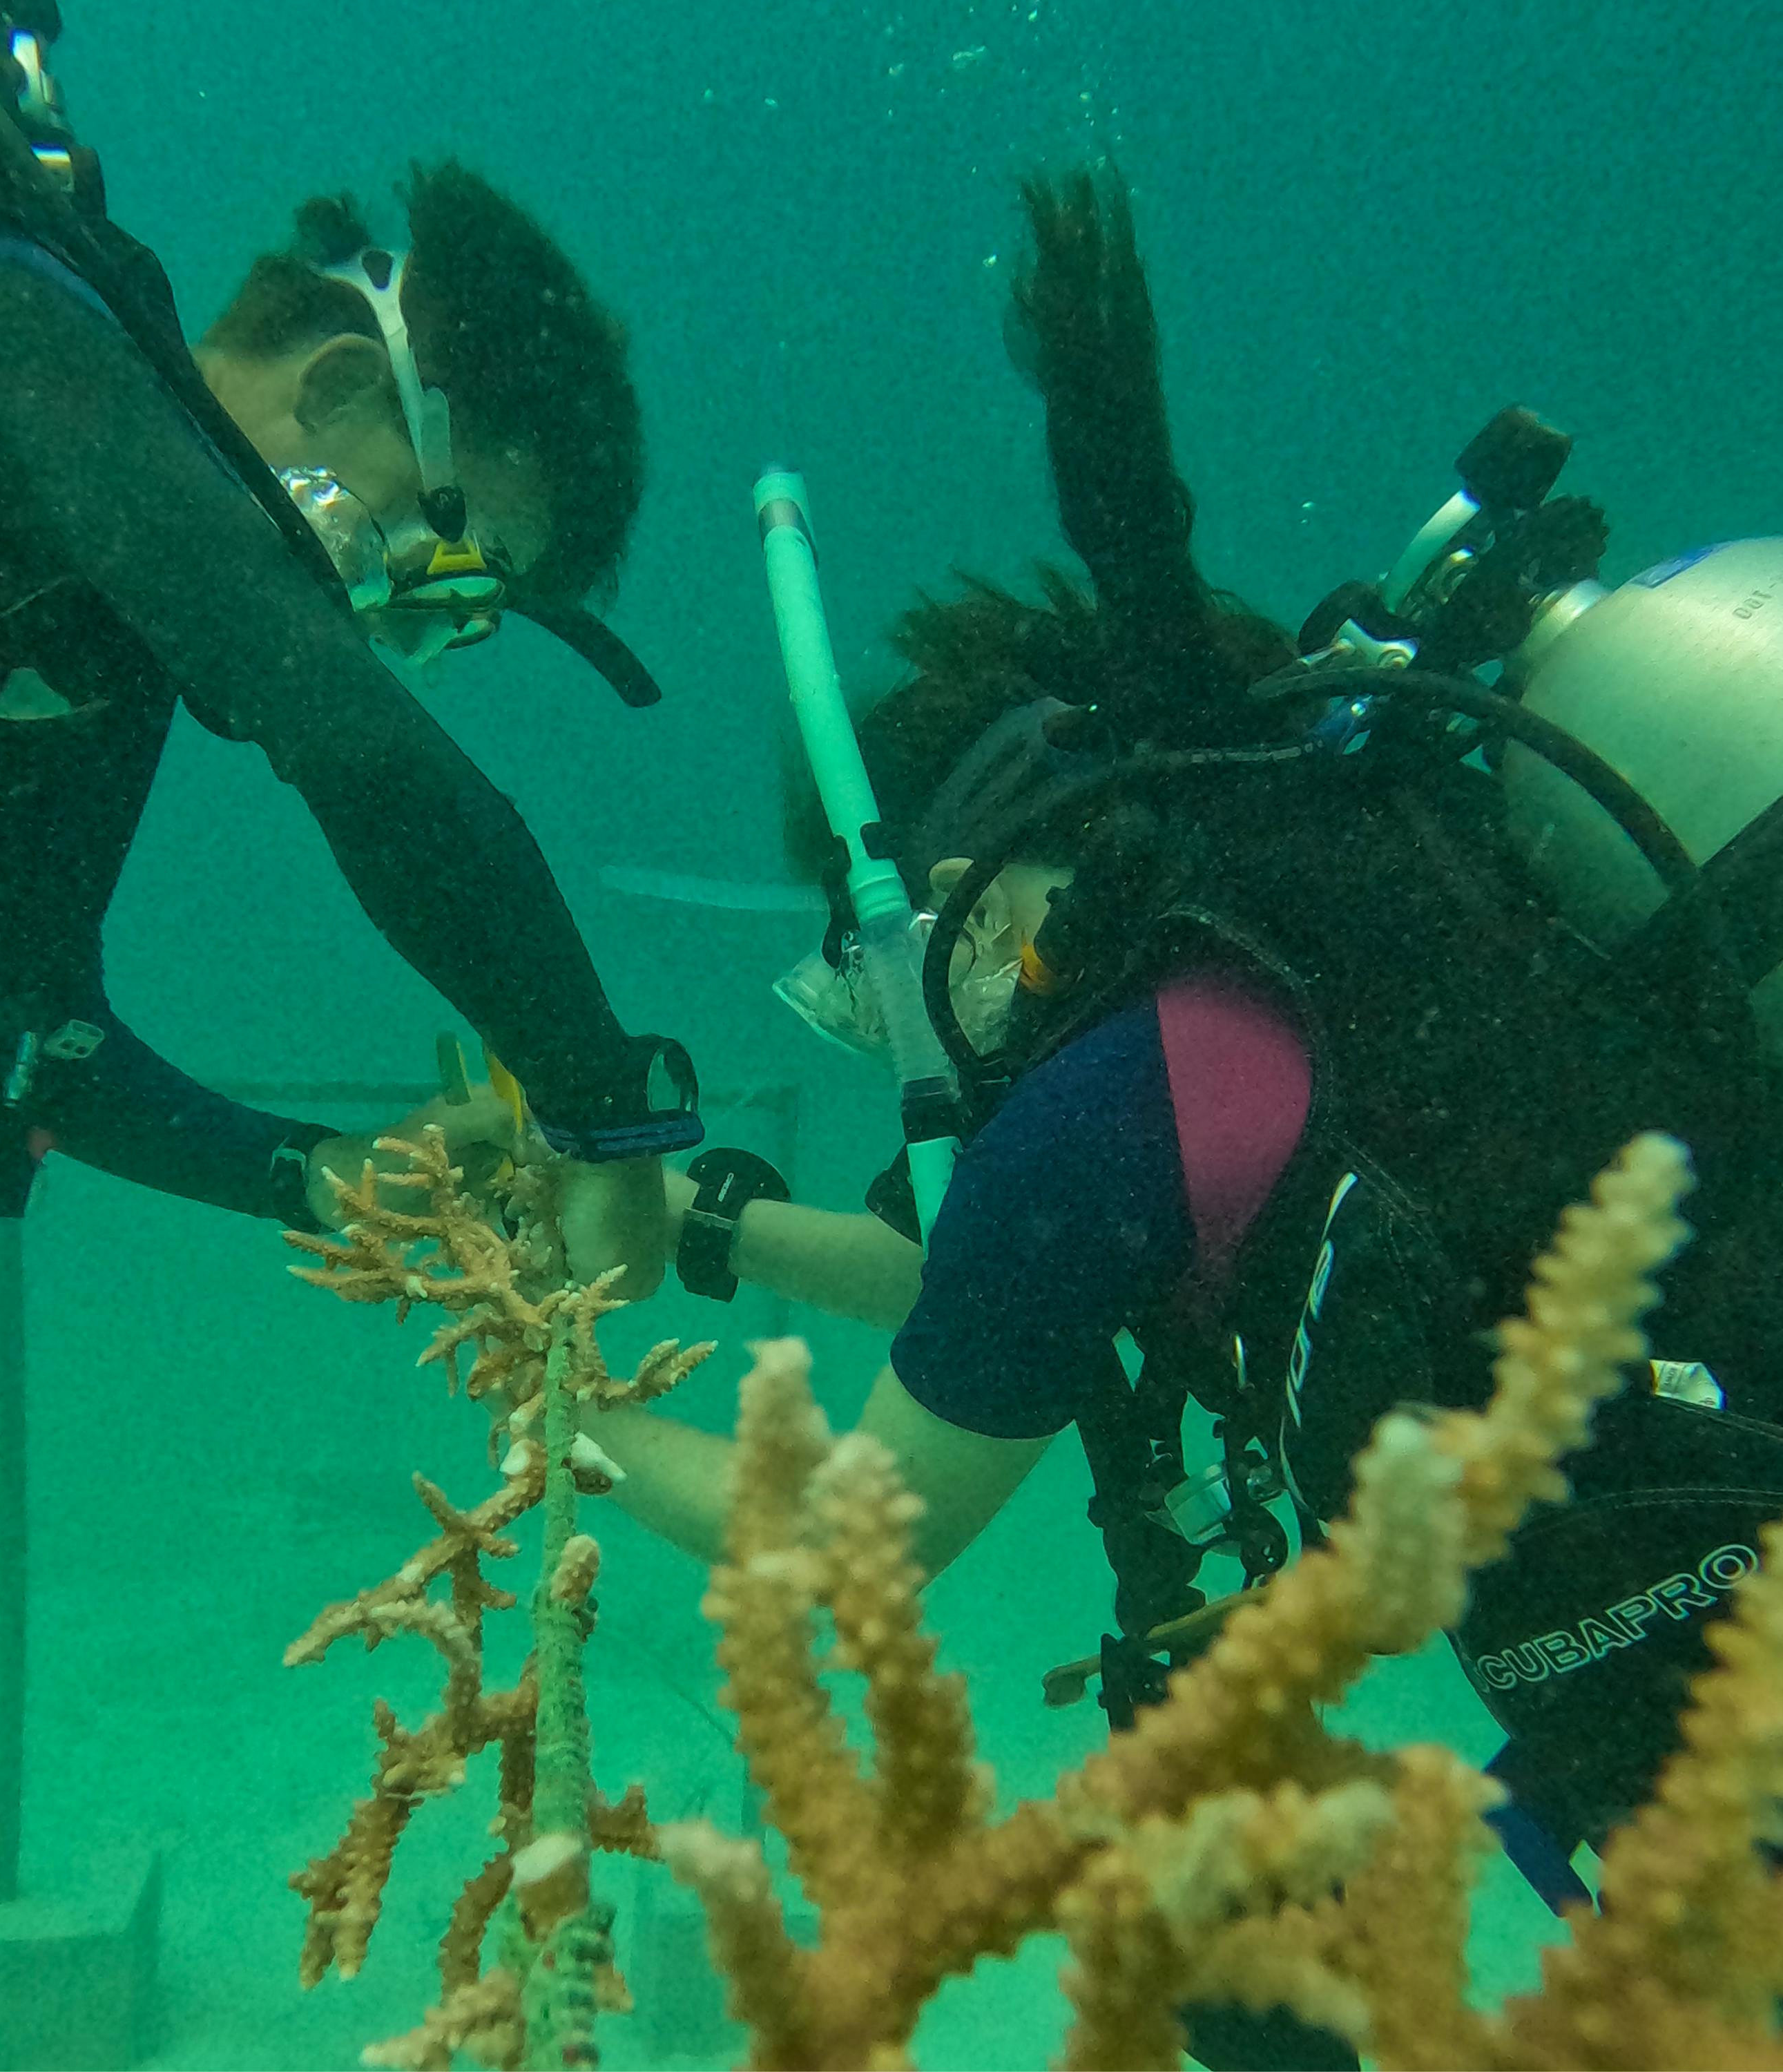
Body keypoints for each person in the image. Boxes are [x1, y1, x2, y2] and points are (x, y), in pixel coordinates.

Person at [581, 164, 1783, 2062]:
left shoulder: (1102, 1111)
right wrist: (722, 1238)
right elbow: (973, 1284)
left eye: (858, 980)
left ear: (966, 901)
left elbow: (824, 1552)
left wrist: (552, 1411)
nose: (892, 1035)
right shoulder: (1274, 972)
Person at [0, 11, 699, 1315]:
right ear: (345, 387)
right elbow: (366, 756)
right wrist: (605, 1123)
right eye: (436, 557)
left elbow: (32, 1026)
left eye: (458, 620)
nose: (383, 618)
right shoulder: (18, 339)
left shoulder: (87, 627)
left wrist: (318, 1175)